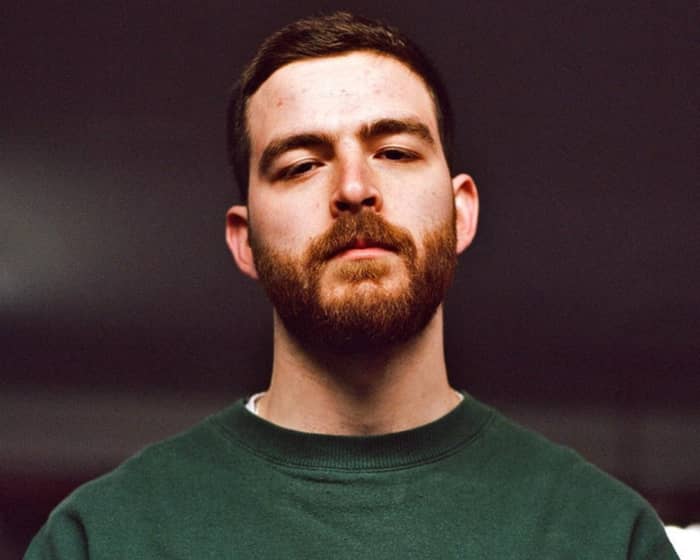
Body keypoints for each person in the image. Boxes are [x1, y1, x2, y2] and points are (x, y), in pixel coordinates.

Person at [26, 12, 678, 559]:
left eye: (394, 152)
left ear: (461, 212)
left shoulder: (604, 535)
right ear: (245, 240)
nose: (355, 188)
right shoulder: (104, 537)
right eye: (301, 165)